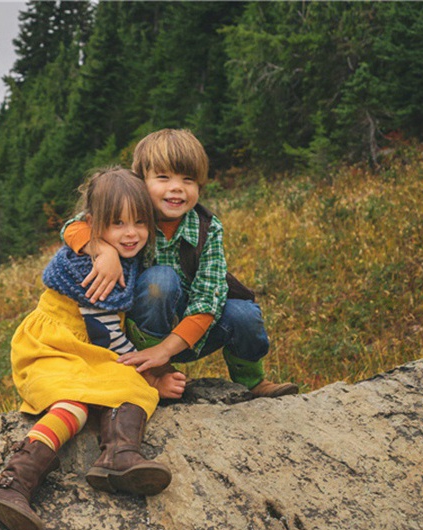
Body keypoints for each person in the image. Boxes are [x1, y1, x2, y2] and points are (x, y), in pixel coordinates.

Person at [0, 167, 173, 530]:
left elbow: (76, 226)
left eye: (141, 222)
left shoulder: (113, 252)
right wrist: (153, 373)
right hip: (52, 346)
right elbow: (106, 334)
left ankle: (119, 457)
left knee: (129, 388)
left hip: (86, 348)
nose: (131, 233)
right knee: (75, 404)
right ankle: (13, 482)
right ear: (95, 225)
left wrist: (104, 245)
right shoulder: (90, 269)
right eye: (118, 225)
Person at [63, 128, 298, 399]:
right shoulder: (128, 214)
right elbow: (74, 225)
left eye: (188, 179)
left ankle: (252, 381)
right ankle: (157, 373)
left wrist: (166, 348)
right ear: (140, 181)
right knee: (160, 280)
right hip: (139, 332)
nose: (176, 187)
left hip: (195, 330)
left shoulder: (207, 228)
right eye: (163, 177)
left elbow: (208, 300)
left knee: (244, 314)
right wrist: (104, 251)